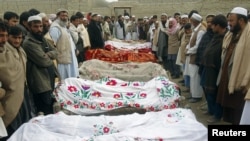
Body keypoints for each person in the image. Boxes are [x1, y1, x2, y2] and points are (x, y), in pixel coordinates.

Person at [217, 7, 250, 125]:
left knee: (239, 115)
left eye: (231, 21)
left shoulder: (248, 33)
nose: (229, 24)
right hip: (229, 78)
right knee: (231, 116)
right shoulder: (233, 34)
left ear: (241, 21)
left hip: (241, 84)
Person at [0, 24, 32, 140]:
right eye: (14, 37)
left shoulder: (20, 51)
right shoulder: (5, 52)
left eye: (5, 35)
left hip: (21, 94)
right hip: (9, 99)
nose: (3, 39)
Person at [22, 15, 59, 115]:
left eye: (40, 26)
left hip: (48, 79)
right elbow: (43, 61)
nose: (39, 29)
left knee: (50, 106)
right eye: (35, 27)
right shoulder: (28, 43)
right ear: (29, 27)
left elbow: (56, 51)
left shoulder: (42, 39)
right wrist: (49, 57)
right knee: (44, 109)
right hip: (40, 82)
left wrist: (48, 55)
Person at [200, 14, 228, 123]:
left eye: (213, 24)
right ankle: (211, 110)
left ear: (218, 26)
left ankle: (217, 115)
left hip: (216, 70)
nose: (211, 26)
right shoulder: (215, 36)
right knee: (207, 90)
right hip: (207, 68)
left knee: (215, 93)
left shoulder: (225, 38)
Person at [49, 8, 79, 80]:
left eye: (66, 16)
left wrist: (75, 49)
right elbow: (52, 44)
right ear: (58, 16)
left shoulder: (64, 26)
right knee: (64, 79)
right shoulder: (55, 28)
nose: (65, 18)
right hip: (62, 59)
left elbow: (69, 40)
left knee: (72, 78)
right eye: (62, 15)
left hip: (70, 56)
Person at [184, 13, 206, 103]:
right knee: (192, 76)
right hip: (191, 56)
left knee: (195, 77)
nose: (190, 22)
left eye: (191, 20)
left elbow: (198, 46)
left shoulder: (201, 30)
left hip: (196, 57)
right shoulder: (195, 29)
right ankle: (193, 94)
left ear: (195, 21)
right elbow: (190, 42)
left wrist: (188, 51)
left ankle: (197, 96)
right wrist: (187, 48)